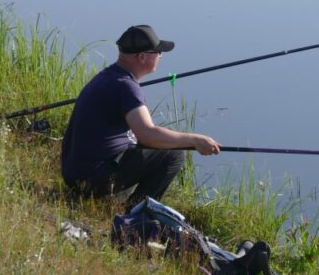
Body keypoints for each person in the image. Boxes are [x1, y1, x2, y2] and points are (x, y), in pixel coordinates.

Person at [61, 24, 221, 203]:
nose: (161, 56)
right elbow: (147, 135)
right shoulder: (127, 88)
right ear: (143, 57)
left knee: (143, 147)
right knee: (174, 154)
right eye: (158, 52)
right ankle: (137, 216)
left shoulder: (107, 76)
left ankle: (114, 200)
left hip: (74, 175)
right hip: (92, 178)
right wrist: (194, 140)